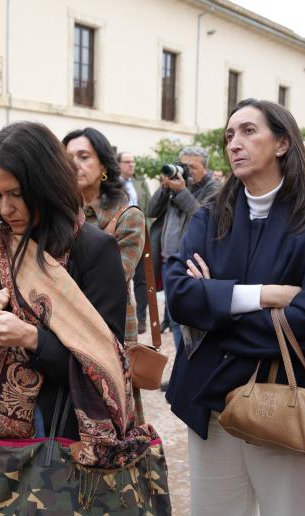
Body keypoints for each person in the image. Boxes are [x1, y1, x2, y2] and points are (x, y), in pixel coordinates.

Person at [0, 121, 167, 516]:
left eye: (17, 194)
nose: (6, 208)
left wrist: (32, 339)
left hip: (57, 427)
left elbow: (105, 366)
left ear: (45, 183)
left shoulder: (93, 249)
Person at [164, 99, 305, 516]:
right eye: (230, 135)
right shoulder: (210, 216)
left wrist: (215, 305)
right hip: (211, 401)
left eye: (249, 131)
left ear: (283, 142)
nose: (235, 143)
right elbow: (178, 296)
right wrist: (265, 295)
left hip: (290, 404)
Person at [63, 128, 145, 349]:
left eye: (84, 156)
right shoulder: (58, 214)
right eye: (68, 158)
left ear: (104, 166)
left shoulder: (127, 217)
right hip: (60, 329)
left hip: (108, 330)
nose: (74, 164)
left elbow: (113, 282)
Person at [147, 146, 220, 350]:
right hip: (167, 260)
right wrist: (164, 188)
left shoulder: (213, 188)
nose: (186, 171)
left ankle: (187, 367)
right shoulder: (176, 185)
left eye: (192, 167)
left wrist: (182, 191)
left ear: (204, 168)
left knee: (187, 319)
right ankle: (181, 368)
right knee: (173, 317)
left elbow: (204, 217)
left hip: (192, 264)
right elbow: (151, 210)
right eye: (183, 165)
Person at [117, 150, 152, 333]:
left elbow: (150, 207)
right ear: (118, 164)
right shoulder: (111, 184)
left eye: (133, 162)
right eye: (127, 162)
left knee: (142, 281)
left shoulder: (140, 183)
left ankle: (142, 319)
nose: (132, 165)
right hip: (120, 235)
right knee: (121, 279)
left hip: (140, 236)